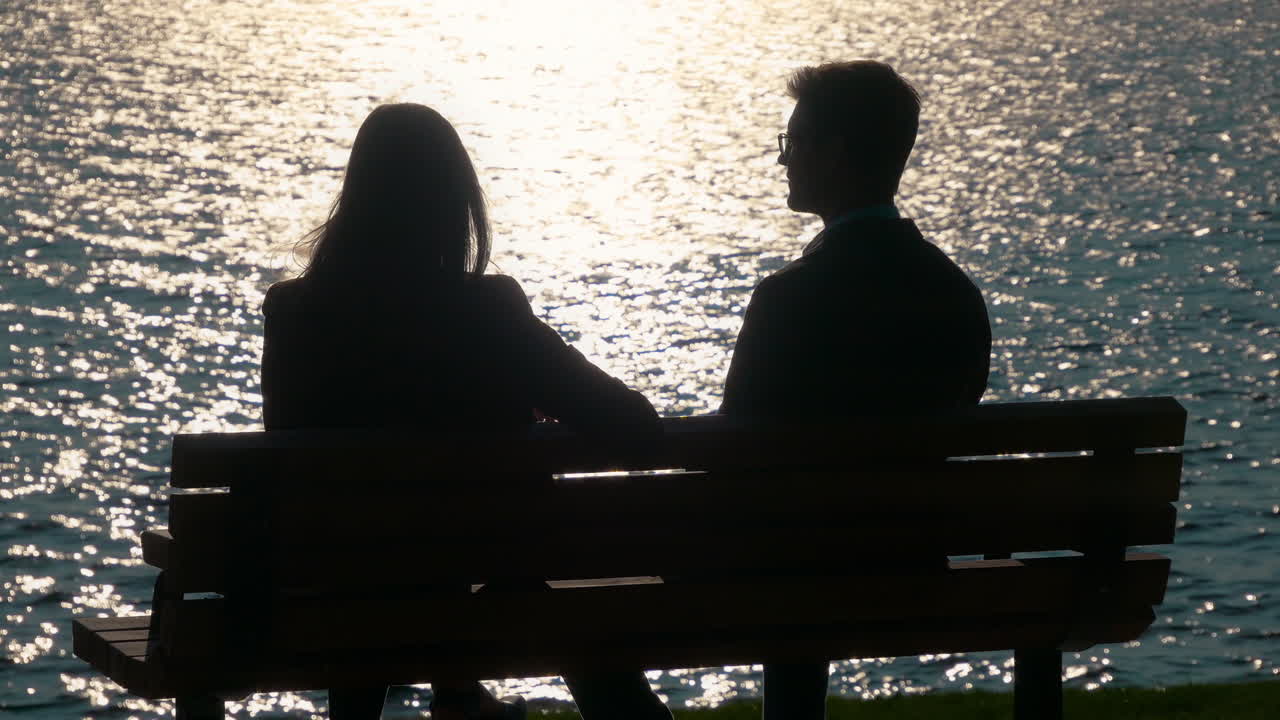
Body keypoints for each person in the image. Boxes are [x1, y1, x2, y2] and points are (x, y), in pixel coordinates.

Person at [259, 103, 672, 720]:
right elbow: (635, 428)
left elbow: (289, 455)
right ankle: (461, 696)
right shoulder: (492, 311)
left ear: (357, 198)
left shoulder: (296, 315)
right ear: (457, 202)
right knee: (540, 599)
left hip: (350, 589)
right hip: (494, 584)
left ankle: (456, 697)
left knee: (381, 570)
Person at [719, 62, 992, 720]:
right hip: (910, 564)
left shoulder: (786, 300)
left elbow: (727, 459)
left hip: (793, 571)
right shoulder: (955, 295)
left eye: (794, 145)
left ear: (835, 155)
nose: (782, 162)